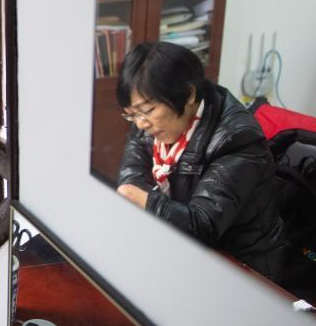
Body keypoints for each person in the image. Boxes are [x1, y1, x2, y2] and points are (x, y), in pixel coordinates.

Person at [115, 42, 287, 279]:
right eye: (132, 114)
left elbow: (203, 225)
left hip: (240, 266)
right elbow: (132, 180)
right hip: (178, 248)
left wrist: (147, 201)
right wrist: (139, 198)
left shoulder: (235, 138)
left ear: (189, 94)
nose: (140, 123)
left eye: (148, 110)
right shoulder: (150, 122)